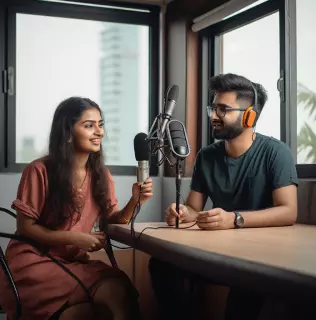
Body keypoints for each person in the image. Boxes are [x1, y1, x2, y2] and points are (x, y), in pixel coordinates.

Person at [148, 73, 298, 320]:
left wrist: (234, 219)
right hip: (217, 253)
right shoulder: (206, 156)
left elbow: (288, 211)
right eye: (213, 108)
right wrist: (183, 213)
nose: (213, 116)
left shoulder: (276, 153)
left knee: (246, 282)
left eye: (223, 109)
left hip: (260, 256)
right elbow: (193, 208)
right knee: (161, 264)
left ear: (250, 115)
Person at [0, 97, 153, 320]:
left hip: (72, 263)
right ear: (68, 133)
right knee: (81, 313)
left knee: (119, 291)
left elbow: (111, 221)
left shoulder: (102, 175)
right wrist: (75, 238)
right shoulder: (39, 171)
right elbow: (25, 228)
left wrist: (135, 201)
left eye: (101, 124)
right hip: (33, 264)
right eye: (89, 125)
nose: (99, 132)